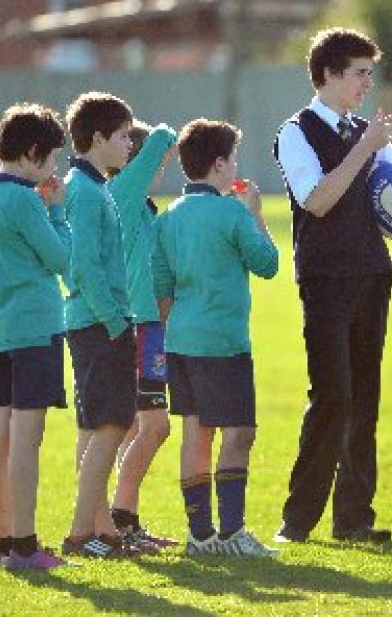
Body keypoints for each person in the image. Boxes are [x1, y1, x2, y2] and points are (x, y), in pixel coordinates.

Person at [273, 27, 392, 544]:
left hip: (373, 274)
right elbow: (316, 199)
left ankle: (354, 520)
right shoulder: (295, 131)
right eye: (359, 73)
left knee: (364, 398)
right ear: (330, 74)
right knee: (332, 396)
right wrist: (364, 148)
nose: (367, 83)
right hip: (326, 278)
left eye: (369, 73)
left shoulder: (365, 129)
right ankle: (298, 521)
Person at [153, 118, 279, 556]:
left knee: (196, 432)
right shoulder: (231, 211)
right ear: (221, 165)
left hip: (181, 340)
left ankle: (200, 535)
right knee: (239, 432)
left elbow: (161, 286)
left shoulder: (169, 216)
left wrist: (181, 329)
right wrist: (256, 215)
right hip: (223, 342)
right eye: (234, 159)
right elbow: (267, 264)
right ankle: (232, 533)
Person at [0, 102, 70, 570]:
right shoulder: (25, 200)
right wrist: (58, 212)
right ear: (31, 154)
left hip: (1, 326)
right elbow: (61, 258)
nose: (52, 169)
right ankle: (26, 547)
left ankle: (4, 542)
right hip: (36, 325)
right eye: (50, 159)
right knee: (27, 440)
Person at [60, 91, 141, 559]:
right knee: (109, 426)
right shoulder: (87, 192)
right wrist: (114, 322)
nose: (130, 143)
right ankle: (80, 535)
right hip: (99, 323)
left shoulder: (92, 186)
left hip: (93, 322)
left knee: (94, 428)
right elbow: (85, 266)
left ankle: (102, 529)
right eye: (124, 135)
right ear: (97, 138)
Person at [106, 119, 179, 549]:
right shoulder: (125, 195)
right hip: (137, 326)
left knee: (136, 428)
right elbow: (164, 137)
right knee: (155, 427)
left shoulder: (141, 205)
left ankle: (124, 524)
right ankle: (120, 516)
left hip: (150, 325)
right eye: (157, 164)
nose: (162, 168)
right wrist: (162, 140)